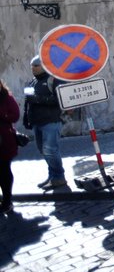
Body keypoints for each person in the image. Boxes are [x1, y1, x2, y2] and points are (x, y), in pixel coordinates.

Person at [24, 56, 66, 190]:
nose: (33, 68)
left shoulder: (54, 79)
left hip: (51, 121)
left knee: (50, 150)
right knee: (43, 150)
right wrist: (26, 117)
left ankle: (59, 177)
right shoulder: (32, 82)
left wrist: (38, 99)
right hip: (37, 121)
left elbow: (59, 100)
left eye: (36, 65)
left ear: (44, 66)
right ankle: (52, 176)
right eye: (32, 66)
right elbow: (28, 101)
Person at [0, 80, 22, 211]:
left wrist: (1, 114)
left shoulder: (6, 97)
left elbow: (15, 115)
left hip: (4, 140)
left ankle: (7, 200)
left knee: (3, 170)